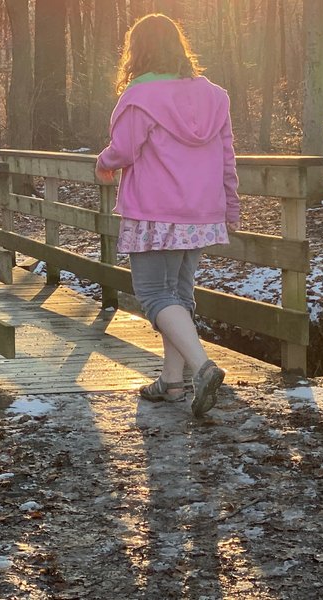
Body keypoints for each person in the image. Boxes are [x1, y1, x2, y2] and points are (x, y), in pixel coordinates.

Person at [95, 13, 240, 418]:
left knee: (155, 295)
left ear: (137, 51)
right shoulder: (215, 96)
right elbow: (227, 157)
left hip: (155, 212)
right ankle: (172, 383)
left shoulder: (140, 98)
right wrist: (231, 204)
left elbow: (123, 150)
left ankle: (203, 367)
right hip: (201, 212)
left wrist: (103, 162)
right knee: (178, 295)